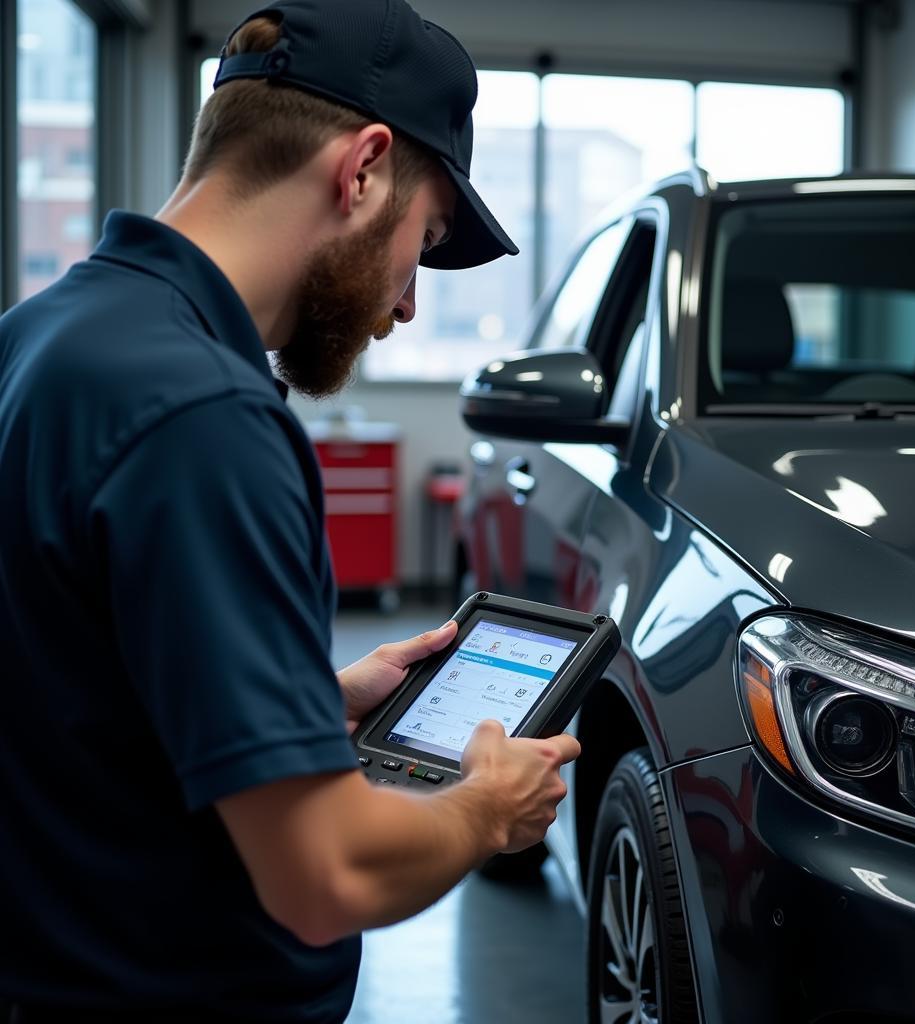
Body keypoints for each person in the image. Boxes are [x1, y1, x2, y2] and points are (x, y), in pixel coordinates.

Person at [0, 1, 581, 1021]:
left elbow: (71, 683)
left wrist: (302, 700)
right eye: (425, 236)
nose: (405, 305)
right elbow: (327, 876)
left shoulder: (42, 336)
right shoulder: (204, 414)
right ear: (361, 170)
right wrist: (485, 808)